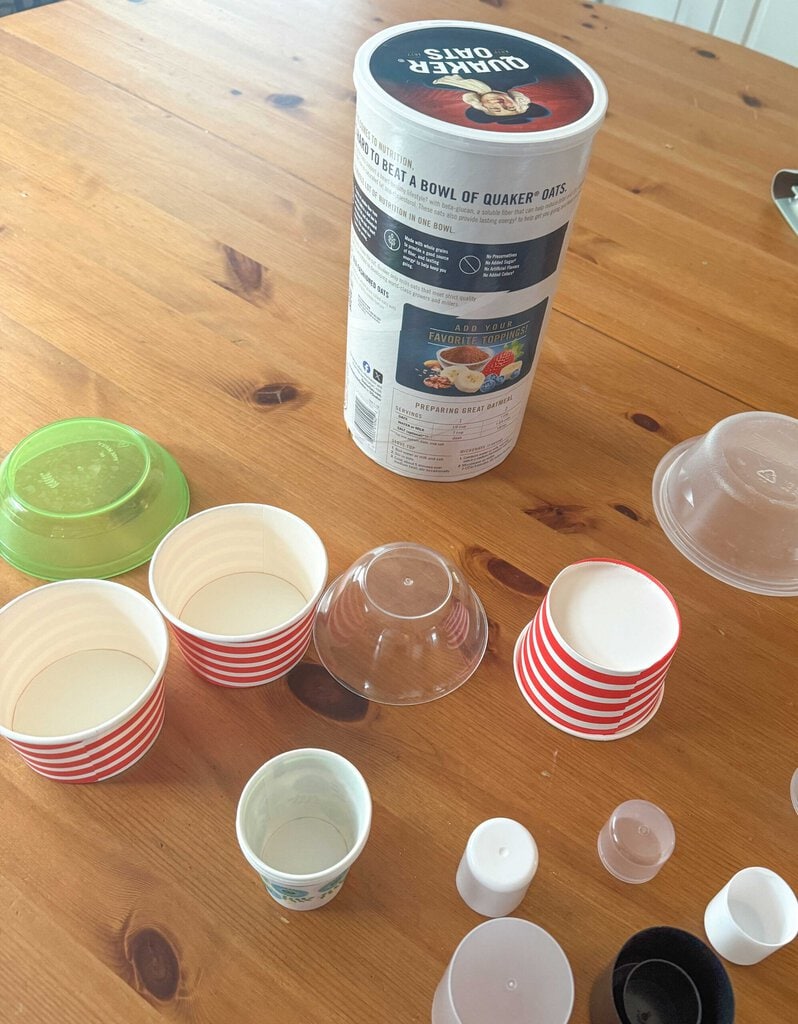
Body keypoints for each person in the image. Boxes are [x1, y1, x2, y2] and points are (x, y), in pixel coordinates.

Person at [432, 75, 549, 124]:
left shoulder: (439, 83)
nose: (500, 104)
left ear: (482, 106)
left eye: (495, 109)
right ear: (517, 101)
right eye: (510, 107)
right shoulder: (525, 77)